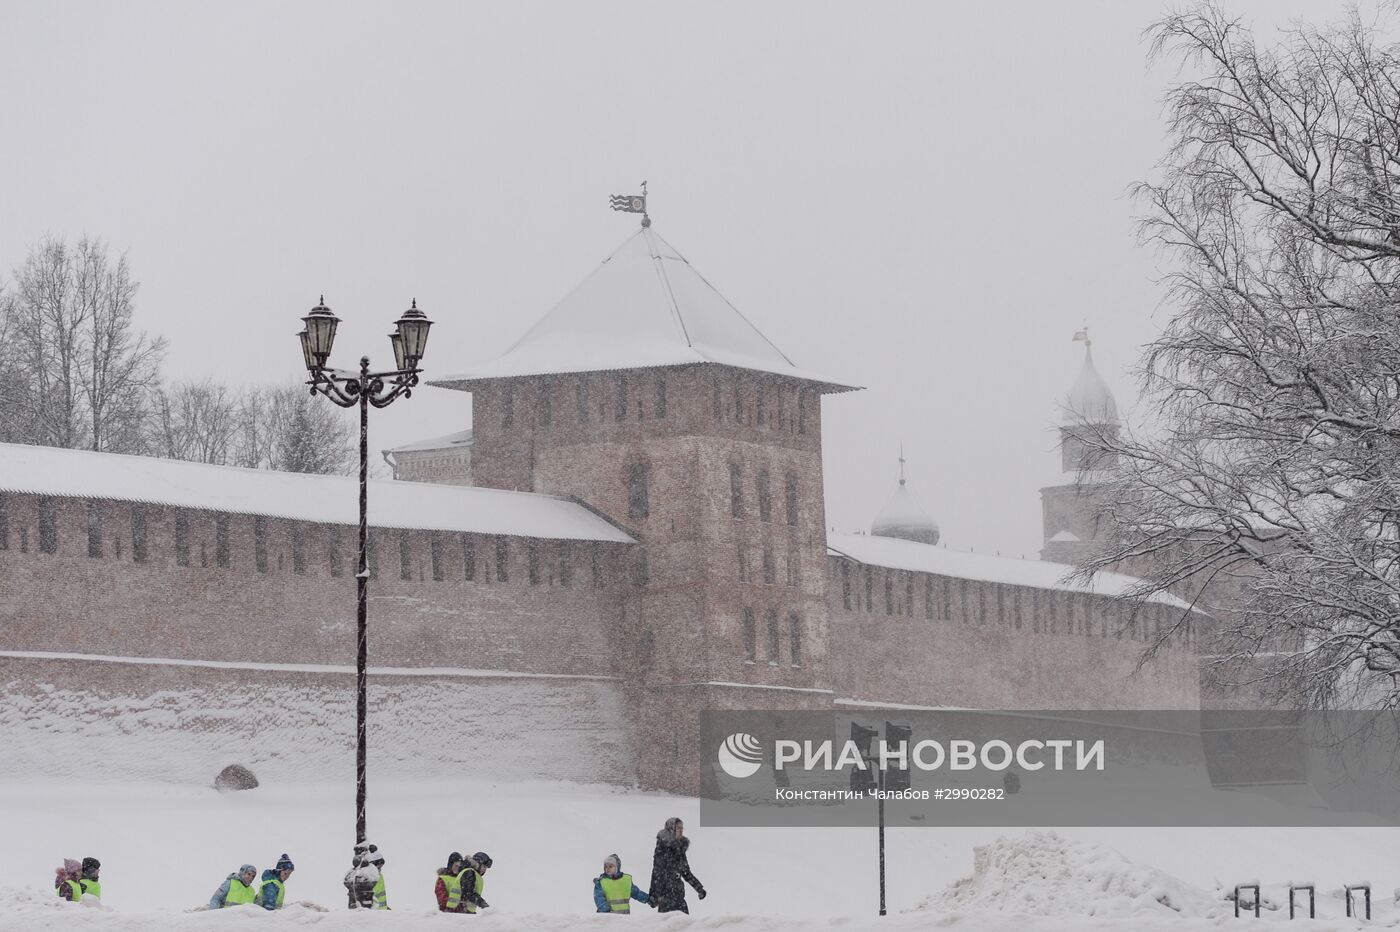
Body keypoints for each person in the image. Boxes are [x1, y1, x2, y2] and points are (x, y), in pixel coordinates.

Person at [649, 818, 704, 914]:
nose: (681, 830)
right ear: (671, 828)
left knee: (686, 926)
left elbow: (686, 872)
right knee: (667, 927)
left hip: (679, 896)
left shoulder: (679, 848)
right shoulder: (663, 848)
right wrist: (653, 896)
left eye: (682, 828)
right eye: (678, 827)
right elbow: (657, 873)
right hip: (665, 897)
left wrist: (699, 888)